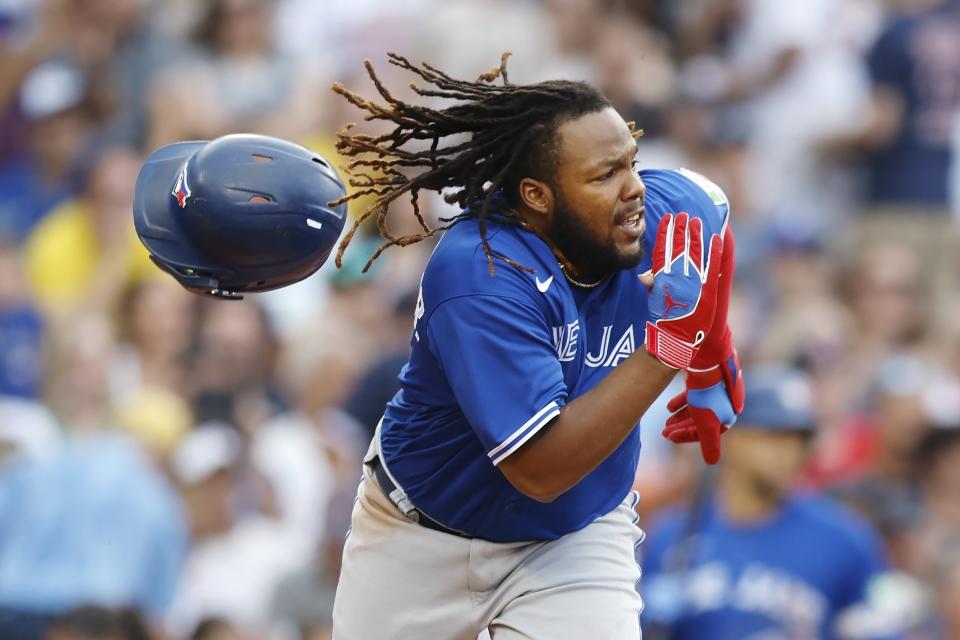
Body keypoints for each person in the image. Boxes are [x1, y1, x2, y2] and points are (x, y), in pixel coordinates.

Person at [324, 54, 743, 639]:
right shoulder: (482, 271)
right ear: (536, 195)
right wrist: (673, 346)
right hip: (422, 540)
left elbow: (714, 212)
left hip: (573, 541)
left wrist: (711, 349)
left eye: (633, 163)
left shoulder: (666, 216)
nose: (635, 190)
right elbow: (540, 468)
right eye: (603, 176)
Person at [641, 367, 899, 639]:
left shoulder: (845, 539)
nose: (790, 452)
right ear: (729, 437)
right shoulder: (671, 536)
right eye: (773, 436)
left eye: (799, 440)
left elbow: (879, 631)